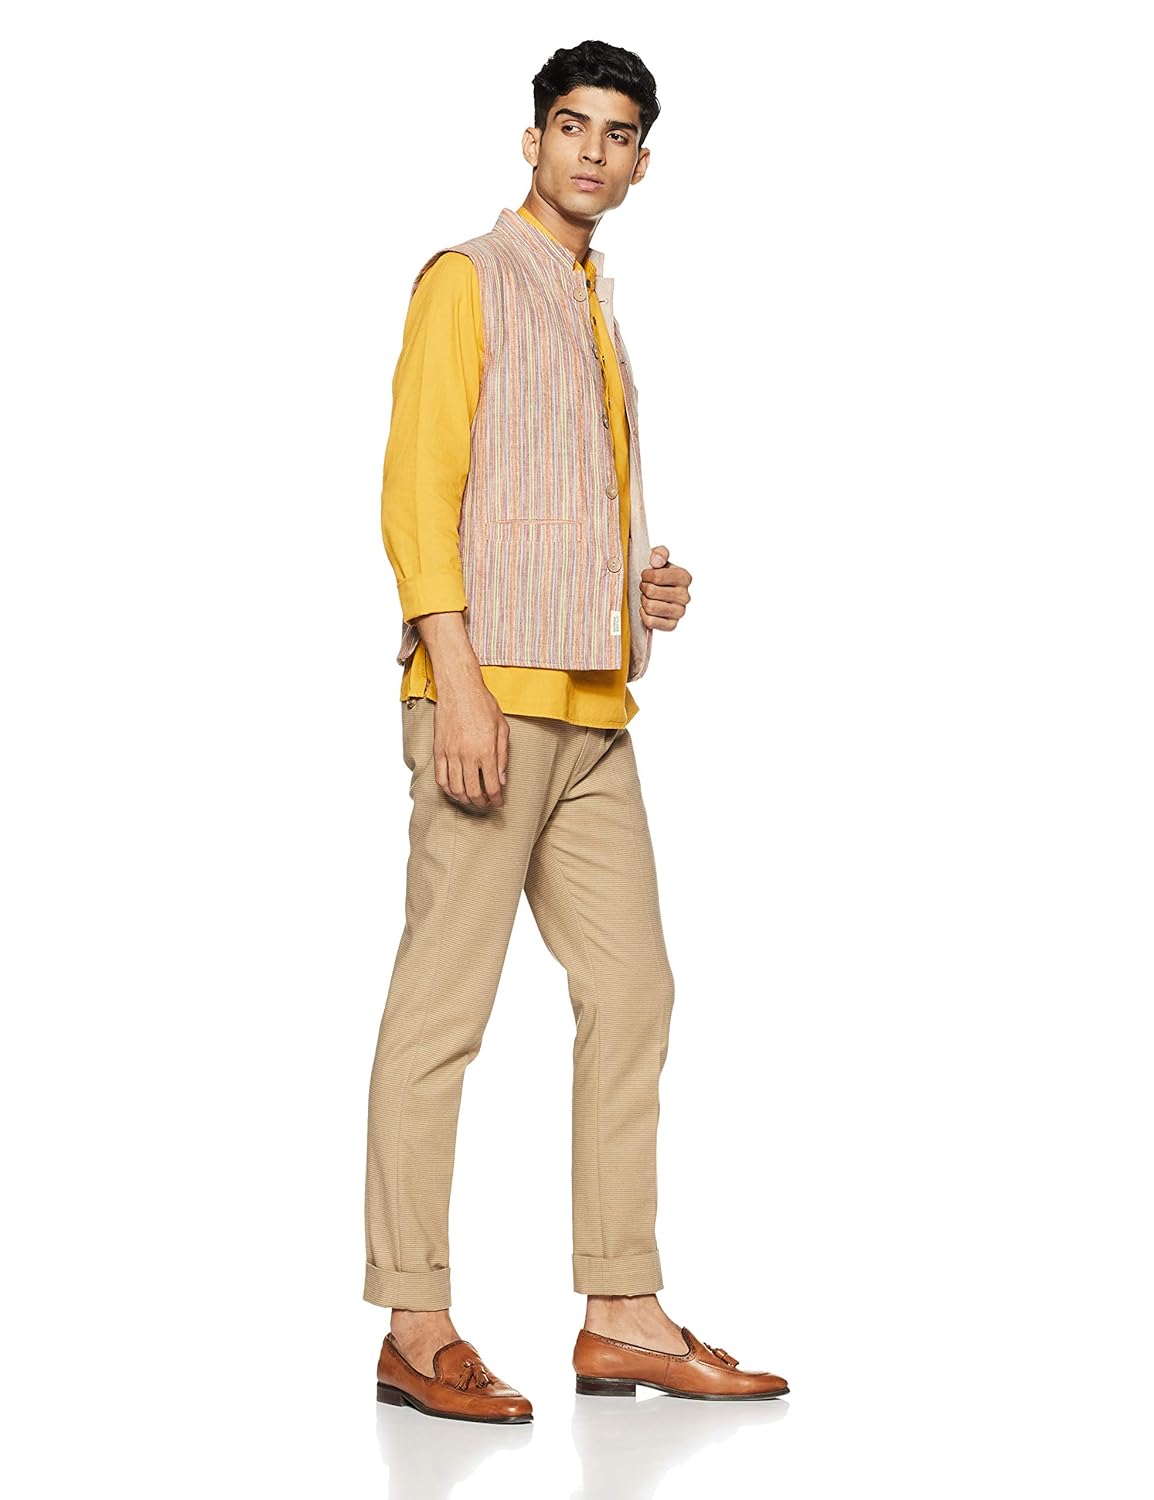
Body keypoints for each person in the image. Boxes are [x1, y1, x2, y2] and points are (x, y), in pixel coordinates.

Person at [364, 39, 789, 1423]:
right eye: (570, 125)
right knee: (443, 1009)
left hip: (598, 710)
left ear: (642, 163)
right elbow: (416, 495)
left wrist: (640, 593)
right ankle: (414, 1324)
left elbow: (546, 503)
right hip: (490, 700)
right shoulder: (469, 278)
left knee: (634, 990)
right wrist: (457, 680)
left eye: (616, 134)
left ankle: (621, 1314)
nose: (591, 151)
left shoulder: (596, 302)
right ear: (532, 141)